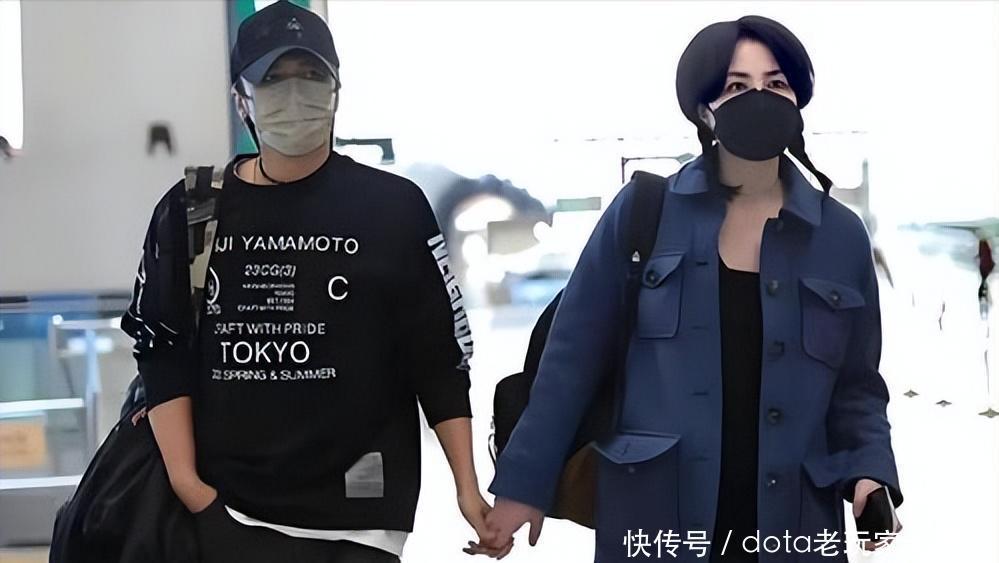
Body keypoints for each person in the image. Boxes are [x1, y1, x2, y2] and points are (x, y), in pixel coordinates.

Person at [479, 15, 904, 563]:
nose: (759, 98)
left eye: (776, 84)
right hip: (655, 524)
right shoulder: (644, 213)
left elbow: (857, 388)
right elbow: (570, 361)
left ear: (798, 100)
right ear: (705, 110)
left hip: (792, 528)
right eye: (736, 86)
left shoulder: (839, 237)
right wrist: (524, 486)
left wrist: (870, 475)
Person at [120, 2, 509, 561]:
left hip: (359, 518)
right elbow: (163, 351)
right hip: (225, 511)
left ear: (336, 91)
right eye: (272, 79)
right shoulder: (193, 208)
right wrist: (193, 491)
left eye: (311, 75)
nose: (294, 93)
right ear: (241, 98)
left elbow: (438, 360)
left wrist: (467, 490)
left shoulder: (392, 208)